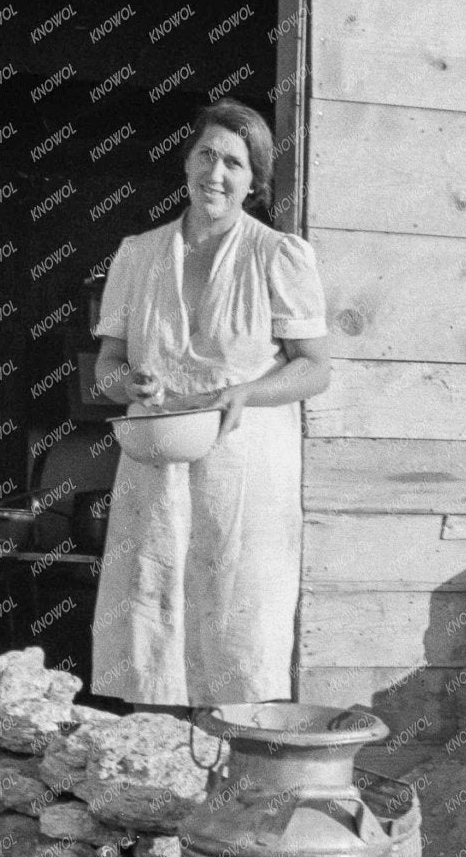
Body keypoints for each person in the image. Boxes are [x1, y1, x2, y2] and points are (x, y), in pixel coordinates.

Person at [89, 100, 332, 710]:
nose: (215, 173)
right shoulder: (137, 254)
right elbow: (107, 366)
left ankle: (233, 776)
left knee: (236, 620)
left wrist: (245, 392)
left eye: (234, 162)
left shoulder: (278, 255)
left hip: (244, 469)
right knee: (151, 607)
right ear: (186, 161)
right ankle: (157, 766)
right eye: (206, 154)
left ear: (254, 182)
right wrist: (128, 384)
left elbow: (315, 368)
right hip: (157, 459)